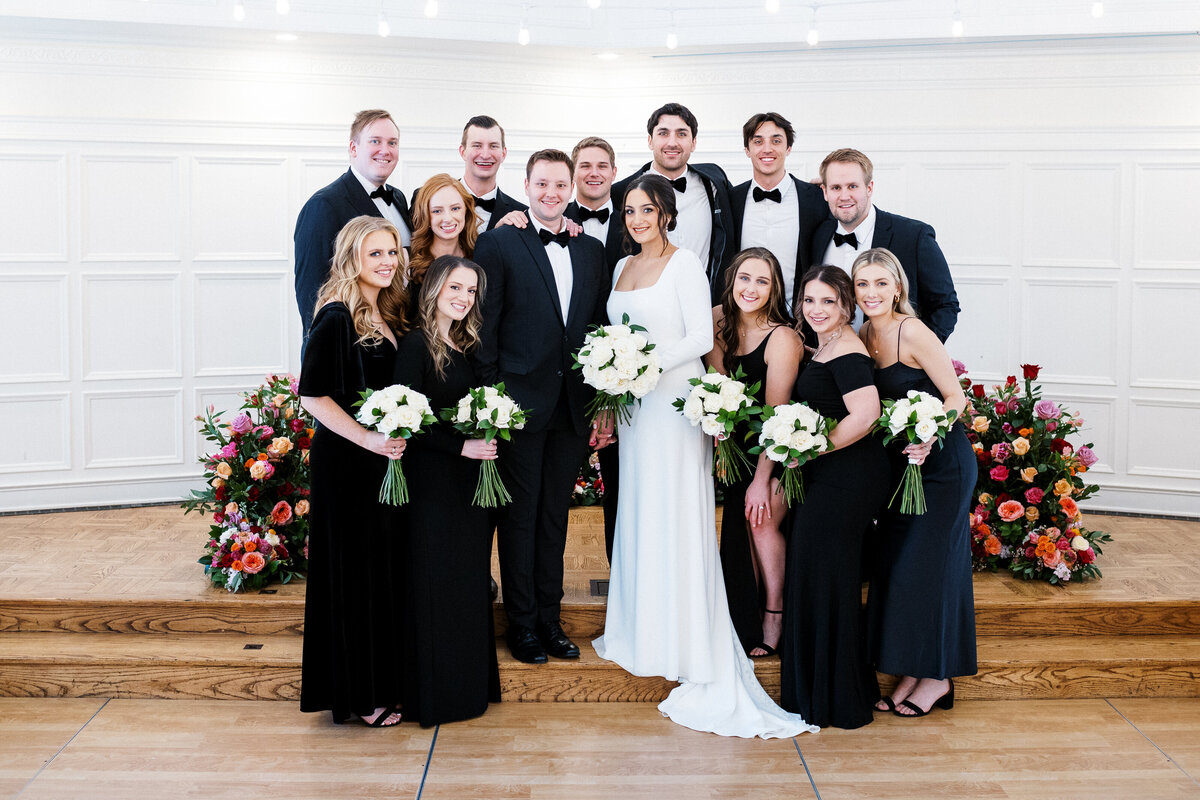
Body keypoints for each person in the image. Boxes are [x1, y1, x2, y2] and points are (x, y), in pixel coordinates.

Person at [593, 174, 816, 739]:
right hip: (634, 408)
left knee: (673, 514)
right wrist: (616, 376)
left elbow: (697, 338)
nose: (637, 218)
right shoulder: (620, 268)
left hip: (670, 402)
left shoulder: (686, 264)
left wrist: (642, 365)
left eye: (648, 209)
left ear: (667, 213)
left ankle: (683, 637)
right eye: (630, 210)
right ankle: (639, 629)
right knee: (638, 510)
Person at [473, 149, 610, 665]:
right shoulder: (500, 242)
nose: (551, 193)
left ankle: (551, 621)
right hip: (518, 405)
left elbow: (597, 329)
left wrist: (599, 404)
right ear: (526, 186)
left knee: (556, 518)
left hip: (571, 406)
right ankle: (522, 625)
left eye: (560, 184)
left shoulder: (590, 250)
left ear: (572, 187)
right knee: (519, 519)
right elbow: (484, 330)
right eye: (542, 183)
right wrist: (493, 400)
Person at [852, 247, 977, 718]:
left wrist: (929, 435)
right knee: (903, 569)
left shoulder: (913, 331)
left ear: (898, 287)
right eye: (863, 284)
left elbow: (954, 397)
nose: (871, 293)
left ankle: (939, 678)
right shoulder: (864, 333)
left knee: (932, 571)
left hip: (942, 465)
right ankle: (912, 670)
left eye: (881, 283)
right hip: (902, 470)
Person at [298, 215, 410, 727]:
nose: (387, 262)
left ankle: (380, 681)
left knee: (376, 573)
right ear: (352, 259)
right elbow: (313, 395)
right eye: (376, 254)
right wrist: (367, 438)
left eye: (392, 252)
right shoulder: (337, 314)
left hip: (379, 463)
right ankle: (360, 695)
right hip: (348, 463)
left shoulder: (384, 309)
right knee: (355, 575)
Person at [780, 264, 888, 730]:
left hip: (848, 478)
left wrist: (810, 448)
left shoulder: (847, 349)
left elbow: (866, 413)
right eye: (809, 300)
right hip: (832, 474)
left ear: (847, 304)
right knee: (817, 573)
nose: (817, 309)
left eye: (828, 301)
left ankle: (836, 697)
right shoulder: (828, 344)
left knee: (828, 578)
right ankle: (817, 690)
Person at [395, 255, 501, 726]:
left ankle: (469, 687)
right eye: (456, 288)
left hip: (467, 484)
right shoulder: (415, 346)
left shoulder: (465, 344)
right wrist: (462, 448)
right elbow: (407, 422)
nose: (463, 298)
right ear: (435, 288)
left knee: (468, 579)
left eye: (471, 291)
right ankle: (438, 696)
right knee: (440, 584)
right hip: (433, 485)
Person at [705, 248, 802, 658]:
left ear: (775, 288)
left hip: (776, 450)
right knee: (741, 529)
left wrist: (762, 481)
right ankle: (740, 615)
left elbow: (776, 418)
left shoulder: (782, 337)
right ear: (732, 280)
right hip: (734, 449)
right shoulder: (716, 320)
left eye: (763, 281)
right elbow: (716, 382)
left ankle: (774, 614)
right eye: (745, 278)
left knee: (760, 520)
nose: (751, 288)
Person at [809, 148, 959, 341]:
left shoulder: (913, 236)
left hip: (887, 363)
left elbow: (945, 305)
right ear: (825, 192)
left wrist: (914, 356)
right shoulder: (818, 234)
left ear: (869, 188)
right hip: (826, 357)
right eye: (836, 187)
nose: (844, 196)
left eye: (853, 186)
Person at [294, 109, 413, 336]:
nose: (385, 150)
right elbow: (311, 292)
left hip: (396, 338)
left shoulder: (398, 198)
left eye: (392, 142)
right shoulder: (324, 205)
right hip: (352, 345)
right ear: (353, 148)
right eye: (375, 141)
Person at [565, 136, 622, 562]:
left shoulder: (636, 219)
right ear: (572, 174)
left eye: (602, 165)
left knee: (622, 487)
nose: (594, 173)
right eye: (584, 165)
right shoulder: (544, 218)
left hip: (622, 369)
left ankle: (621, 580)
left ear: (614, 173)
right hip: (562, 372)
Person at [610, 103, 735, 296]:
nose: (672, 142)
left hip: (704, 301)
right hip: (645, 303)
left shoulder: (714, 182)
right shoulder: (620, 193)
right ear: (650, 140)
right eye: (663, 133)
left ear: (693, 142)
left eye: (682, 134)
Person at [730, 112, 830, 311]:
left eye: (776, 141)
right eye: (758, 141)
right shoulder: (730, 200)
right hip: (741, 320)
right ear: (747, 150)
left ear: (788, 148)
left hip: (799, 320)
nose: (767, 149)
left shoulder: (817, 198)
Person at [405, 173, 479, 293]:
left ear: (466, 211)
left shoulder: (479, 256)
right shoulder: (406, 260)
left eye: (455, 208)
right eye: (437, 211)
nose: (447, 218)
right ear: (426, 216)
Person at [459, 115, 528, 233]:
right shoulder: (428, 199)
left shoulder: (521, 214)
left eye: (493, 146)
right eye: (477, 146)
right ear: (463, 152)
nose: (485, 155)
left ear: (503, 154)